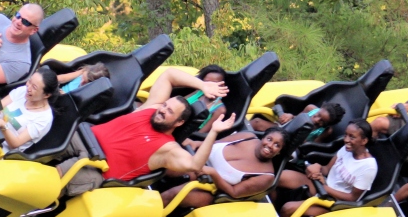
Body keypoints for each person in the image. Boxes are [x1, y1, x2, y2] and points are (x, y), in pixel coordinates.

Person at [57, 99, 238, 197]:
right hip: (83, 138)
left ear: (180, 122)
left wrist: (214, 131)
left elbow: (195, 165)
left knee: (55, 174)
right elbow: (168, 75)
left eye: (169, 112)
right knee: (41, 141)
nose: (162, 110)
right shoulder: (151, 109)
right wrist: (202, 85)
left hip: (95, 167)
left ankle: (31, 211)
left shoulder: (167, 148)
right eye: (165, 105)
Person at [160, 127, 290, 208]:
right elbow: (214, 143)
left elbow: (234, 193)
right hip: (196, 164)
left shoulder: (266, 176)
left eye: (277, 145)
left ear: (279, 152)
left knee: (173, 194)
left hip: (211, 191)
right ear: (263, 138)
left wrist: (213, 173)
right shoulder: (247, 137)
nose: (270, 145)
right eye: (269, 139)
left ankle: (144, 215)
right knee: (162, 164)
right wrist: (195, 143)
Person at [279, 119, 377, 217]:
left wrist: (326, 188)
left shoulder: (369, 167)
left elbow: (352, 198)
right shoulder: (346, 148)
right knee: (279, 177)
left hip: (333, 203)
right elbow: (326, 170)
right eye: (346, 135)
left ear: (364, 141)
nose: (346, 140)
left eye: (352, 137)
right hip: (322, 185)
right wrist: (317, 167)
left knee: (288, 208)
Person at [0, 67, 59, 152]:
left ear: (46, 95)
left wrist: (3, 125)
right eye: (29, 81)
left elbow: (15, 143)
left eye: (34, 87)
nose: (28, 88)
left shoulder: (44, 119)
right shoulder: (23, 91)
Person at [138, 65, 229, 132]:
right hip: (169, 120)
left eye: (215, 83)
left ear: (222, 84)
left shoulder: (220, 109)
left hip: (182, 131)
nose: (211, 86)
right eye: (207, 82)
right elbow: (179, 102)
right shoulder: (199, 92)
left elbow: (202, 133)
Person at [252, 101, 346, 144]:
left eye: (322, 121)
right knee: (257, 122)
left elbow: (313, 145)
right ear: (319, 109)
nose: (317, 120)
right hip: (285, 128)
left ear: (327, 124)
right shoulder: (310, 108)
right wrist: (290, 116)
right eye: (318, 115)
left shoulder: (326, 131)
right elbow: (297, 117)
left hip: (294, 143)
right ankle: (238, 130)